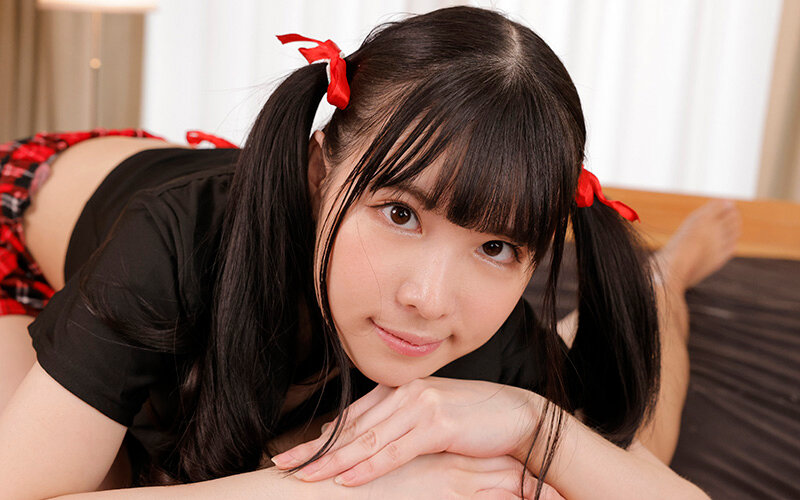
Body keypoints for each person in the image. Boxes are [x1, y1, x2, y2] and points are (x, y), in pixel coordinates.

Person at [0, 6, 738, 499]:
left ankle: (663, 275)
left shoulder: (481, 329)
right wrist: (339, 489)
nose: (429, 299)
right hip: (26, 234)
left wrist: (522, 418)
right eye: (401, 214)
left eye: (494, 246)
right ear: (321, 167)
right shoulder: (171, 242)